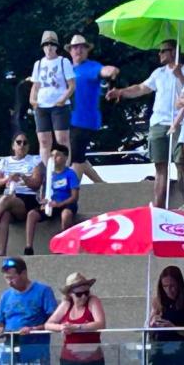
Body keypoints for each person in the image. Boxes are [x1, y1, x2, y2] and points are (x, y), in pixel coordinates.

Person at [107, 40, 184, 208]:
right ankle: (158, 208)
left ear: (174, 52)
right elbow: (141, 88)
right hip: (158, 123)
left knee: (181, 163)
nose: (159, 54)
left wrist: (180, 76)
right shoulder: (159, 73)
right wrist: (121, 92)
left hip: (180, 123)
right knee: (160, 167)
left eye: (163, 51)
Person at [65, 35, 119, 183]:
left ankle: (72, 190)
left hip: (84, 120)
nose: (78, 50)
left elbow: (104, 70)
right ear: (70, 50)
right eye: (75, 47)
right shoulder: (67, 69)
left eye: (82, 47)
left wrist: (111, 70)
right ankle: (101, 185)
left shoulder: (91, 66)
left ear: (87, 50)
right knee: (76, 154)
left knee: (76, 157)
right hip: (67, 119)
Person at [0, 257, 57, 365]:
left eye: (12, 278)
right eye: (6, 278)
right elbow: (0, 323)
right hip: (11, 351)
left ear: (23, 274)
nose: (9, 282)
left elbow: (54, 321)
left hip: (35, 352)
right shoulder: (6, 295)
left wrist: (33, 329)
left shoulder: (43, 291)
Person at [30, 32, 75, 179]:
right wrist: (32, 99)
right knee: (44, 140)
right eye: (46, 45)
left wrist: (63, 99)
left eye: (52, 44)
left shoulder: (63, 62)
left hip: (59, 105)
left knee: (62, 139)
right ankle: (48, 173)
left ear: (56, 46)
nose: (49, 47)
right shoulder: (38, 64)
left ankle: (65, 170)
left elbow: (71, 85)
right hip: (42, 105)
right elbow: (35, 85)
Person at [25, 144, 80, 255]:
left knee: (66, 214)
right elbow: (44, 192)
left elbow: (75, 197)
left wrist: (59, 204)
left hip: (66, 203)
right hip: (51, 204)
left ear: (65, 157)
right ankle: (28, 247)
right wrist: (43, 201)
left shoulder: (70, 174)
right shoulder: (49, 174)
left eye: (57, 155)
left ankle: (64, 245)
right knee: (31, 214)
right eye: (52, 155)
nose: (54, 158)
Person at [45, 272, 105, 365]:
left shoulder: (93, 300)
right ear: (70, 294)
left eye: (86, 292)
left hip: (92, 359)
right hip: (68, 359)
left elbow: (101, 324)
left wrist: (76, 327)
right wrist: (62, 327)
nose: (84, 296)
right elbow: (48, 325)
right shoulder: (66, 304)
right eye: (79, 294)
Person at [149, 265, 184, 364]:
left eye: (172, 286)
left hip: (180, 350)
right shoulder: (158, 301)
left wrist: (173, 327)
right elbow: (149, 327)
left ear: (179, 284)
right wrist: (153, 322)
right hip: (161, 350)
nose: (168, 290)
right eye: (165, 286)